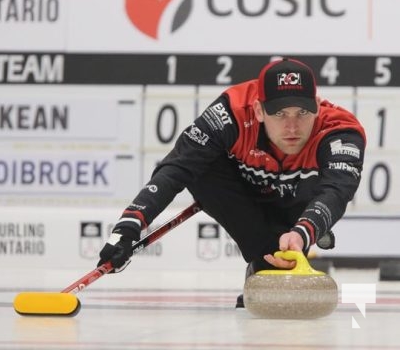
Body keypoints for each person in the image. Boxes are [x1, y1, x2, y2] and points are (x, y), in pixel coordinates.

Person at [97, 58, 366, 308]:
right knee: (199, 164)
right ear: (259, 110)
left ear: (317, 107)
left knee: (321, 192)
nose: (292, 127)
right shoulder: (230, 113)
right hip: (244, 194)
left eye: (302, 113)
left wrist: (304, 232)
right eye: (280, 114)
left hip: (300, 202)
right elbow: (177, 167)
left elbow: (336, 190)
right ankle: (265, 252)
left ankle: (287, 242)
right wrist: (129, 225)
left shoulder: (341, 130)